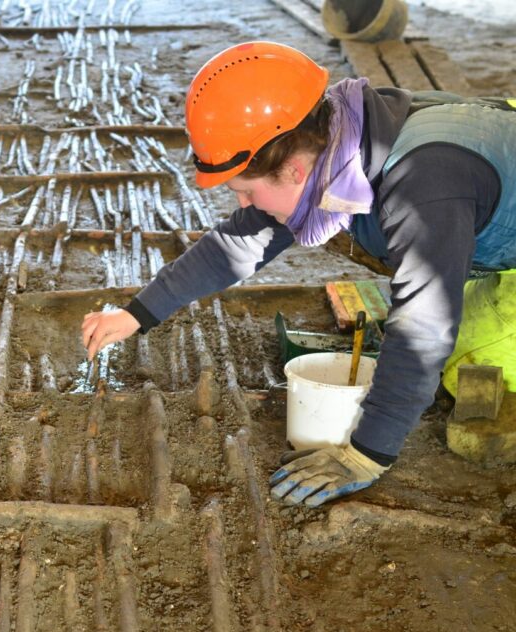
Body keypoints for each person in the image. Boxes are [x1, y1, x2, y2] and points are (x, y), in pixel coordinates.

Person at [81, 41, 516, 507]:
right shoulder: (337, 138)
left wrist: (368, 453)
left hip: (479, 198)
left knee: (461, 360)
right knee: (424, 352)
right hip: (484, 195)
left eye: (246, 192)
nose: (243, 206)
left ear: (292, 170)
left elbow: (423, 329)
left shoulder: (423, 187)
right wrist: (135, 315)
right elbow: (238, 243)